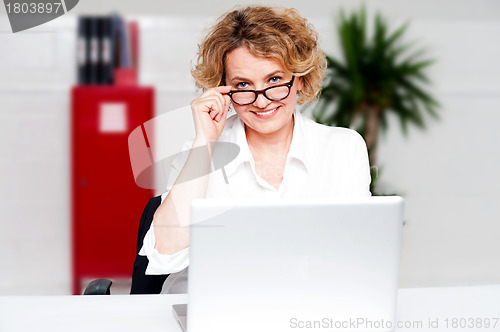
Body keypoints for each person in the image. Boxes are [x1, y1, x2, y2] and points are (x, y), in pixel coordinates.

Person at [138, 5, 371, 294]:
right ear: (223, 89)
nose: (261, 101)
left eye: (274, 80)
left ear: (298, 78)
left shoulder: (343, 149)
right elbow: (163, 252)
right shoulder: (198, 152)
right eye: (243, 84)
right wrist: (205, 142)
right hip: (212, 304)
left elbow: (357, 255)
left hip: (306, 303)